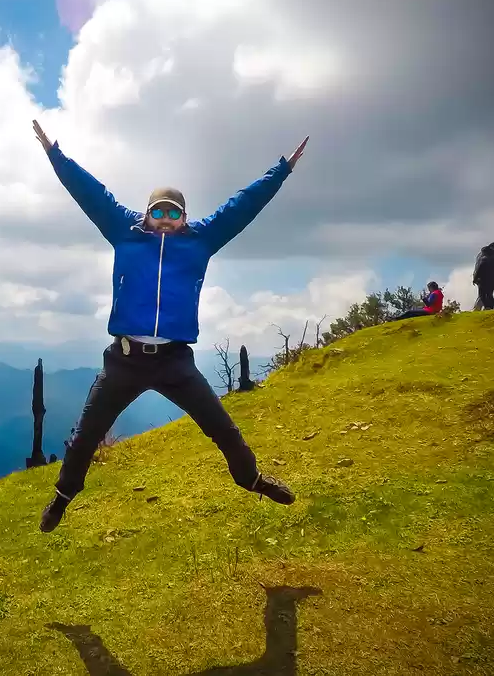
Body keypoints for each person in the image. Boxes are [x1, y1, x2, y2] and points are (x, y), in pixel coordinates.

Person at [31, 119, 305, 533]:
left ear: (183, 217)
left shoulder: (202, 240)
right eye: (157, 210)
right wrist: (56, 154)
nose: (163, 218)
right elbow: (91, 193)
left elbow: (242, 206)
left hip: (175, 361)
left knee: (222, 427)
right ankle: (62, 497)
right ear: (147, 213)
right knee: (85, 434)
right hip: (124, 360)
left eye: (172, 212)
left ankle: (250, 479)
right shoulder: (123, 232)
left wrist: (281, 170)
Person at [472, 242, 494, 310]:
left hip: (482, 277)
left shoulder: (483, 255)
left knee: (484, 294)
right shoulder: (486, 256)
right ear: (491, 248)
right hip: (484, 277)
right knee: (484, 294)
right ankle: (481, 308)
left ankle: (484, 308)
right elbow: (480, 266)